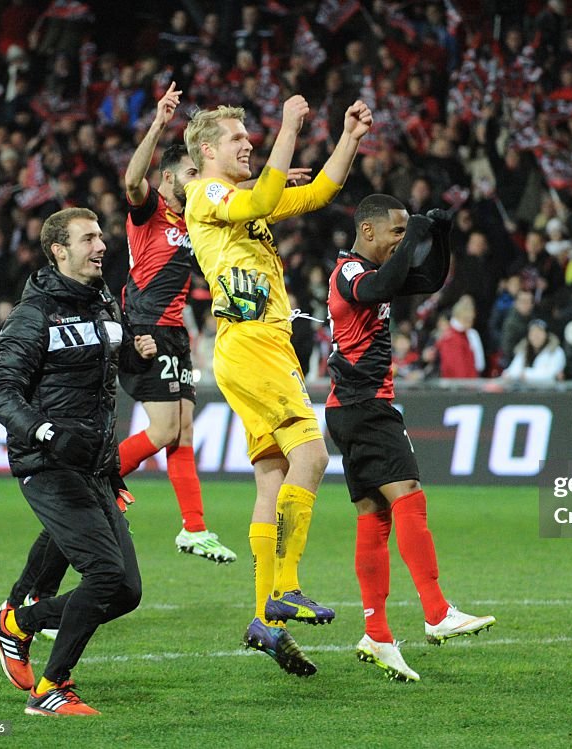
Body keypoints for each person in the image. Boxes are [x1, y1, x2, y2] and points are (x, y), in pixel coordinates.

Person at [182, 94, 372, 676]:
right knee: (311, 457)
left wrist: (350, 138)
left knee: (272, 478)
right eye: (238, 139)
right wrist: (289, 124)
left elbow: (317, 192)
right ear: (208, 151)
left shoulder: (242, 203)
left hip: (255, 345)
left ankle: (264, 621)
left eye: (252, 137)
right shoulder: (207, 193)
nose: (249, 144)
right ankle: (285, 587)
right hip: (254, 343)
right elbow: (263, 194)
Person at [0, 207, 157, 716]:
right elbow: (2, 393)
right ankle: (51, 687)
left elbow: (105, 366)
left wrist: (136, 352)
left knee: (125, 591)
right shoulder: (33, 315)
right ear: (59, 251)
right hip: (48, 461)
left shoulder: (102, 304)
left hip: (94, 464)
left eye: (101, 235)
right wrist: (46, 431)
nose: (101, 245)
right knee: (104, 575)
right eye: (88, 238)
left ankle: (13, 623)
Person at [326, 194, 495, 682]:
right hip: (366, 406)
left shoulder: (371, 274)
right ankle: (437, 611)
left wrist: (436, 236)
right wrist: (419, 231)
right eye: (396, 232)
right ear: (370, 231)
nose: (404, 241)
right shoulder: (351, 273)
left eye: (406, 231)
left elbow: (425, 279)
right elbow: (391, 279)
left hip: (350, 408)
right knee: (410, 497)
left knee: (374, 517)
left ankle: (377, 633)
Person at [116, 81, 236, 564]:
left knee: (184, 433)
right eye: (190, 172)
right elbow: (130, 180)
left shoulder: (191, 221)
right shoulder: (149, 212)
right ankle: (100, 474)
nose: (197, 179)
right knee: (165, 431)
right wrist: (160, 122)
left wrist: (273, 181)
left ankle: (194, 528)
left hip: (175, 333)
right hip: (145, 327)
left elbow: (230, 194)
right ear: (168, 178)